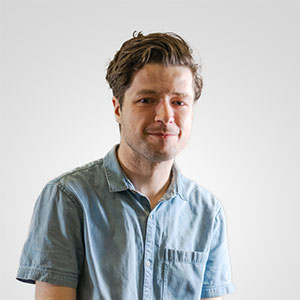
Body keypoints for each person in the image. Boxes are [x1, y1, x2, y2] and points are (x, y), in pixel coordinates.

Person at [17, 32, 234, 300]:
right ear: (118, 109)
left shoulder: (207, 212)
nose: (165, 116)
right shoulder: (68, 198)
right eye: (147, 100)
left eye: (179, 102)